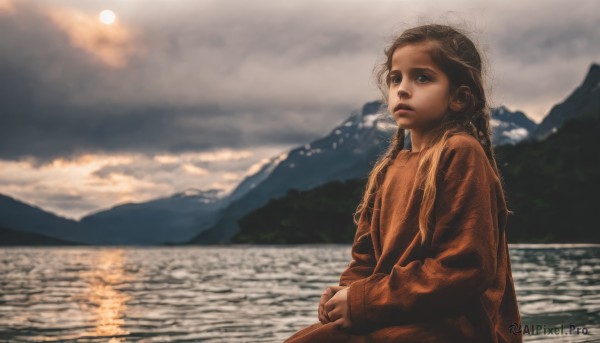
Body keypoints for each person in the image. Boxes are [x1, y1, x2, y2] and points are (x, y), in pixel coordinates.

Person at [283, 23, 523, 343]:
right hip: (394, 314)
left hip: (455, 326)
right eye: (396, 78)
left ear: (459, 97)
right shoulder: (388, 170)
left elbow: (463, 269)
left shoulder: (461, 153)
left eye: (422, 77)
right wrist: (346, 294)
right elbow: (365, 260)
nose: (403, 89)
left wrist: (363, 301)